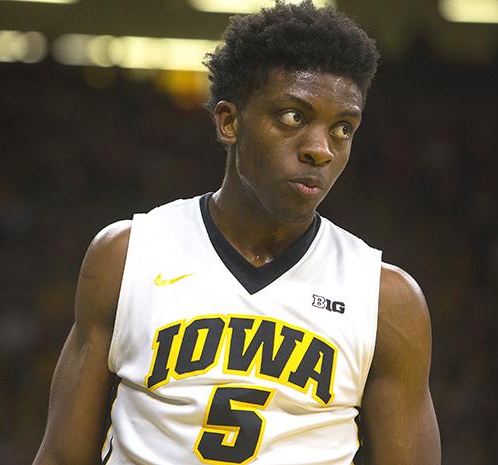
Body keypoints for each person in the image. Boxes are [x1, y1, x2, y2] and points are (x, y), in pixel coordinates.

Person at [32, 1, 441, 464]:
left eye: (342, 128)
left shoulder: (387, 298)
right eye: (293, 117)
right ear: (229, 121)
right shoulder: (127, 255)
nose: (319, 149)